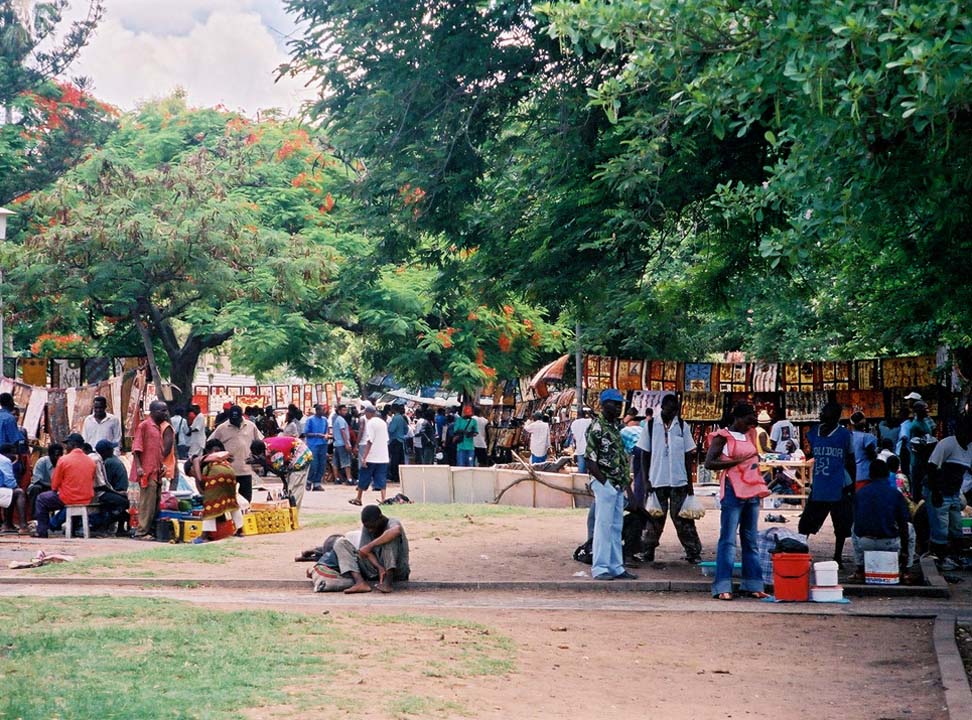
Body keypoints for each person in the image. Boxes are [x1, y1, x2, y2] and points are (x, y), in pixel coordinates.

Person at [704, 403, 769, 600]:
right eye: (749, 418)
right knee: (728, 539)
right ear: (738, 418)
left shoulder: (750, 434)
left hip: (751, 490)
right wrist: (735, 463)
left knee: (750, 539)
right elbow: (709, 463)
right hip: (732, 490)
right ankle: (723, 586)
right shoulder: (722, 436)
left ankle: (754, 584)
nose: (752, 423)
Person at [638, 393, 702, 564]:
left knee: (683, 520)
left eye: (675, 410)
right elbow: (644, 454)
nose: (673, 413)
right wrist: (646, 481)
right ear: (663, 407)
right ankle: (647, 551)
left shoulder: (682, 426)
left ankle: (693, 552)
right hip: (657, 480)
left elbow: (688, 455)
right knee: (654, 519)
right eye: (670, 409)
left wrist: (690, 483)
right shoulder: (651, 426)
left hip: (678, 481)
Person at [586, 388, 637, 581]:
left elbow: (621, 459)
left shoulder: (615, 427)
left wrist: (624, 485)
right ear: (603, 404)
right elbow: (590, 459)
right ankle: (600, 568)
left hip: (617, 483)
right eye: (614, 404)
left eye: (620, 404)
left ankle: (616, 566)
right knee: (603, 526)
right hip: (604, 482)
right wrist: (605, 483)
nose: (618, 407)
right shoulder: (597, 427)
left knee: (616, 526)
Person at [800, 402, 856, 565]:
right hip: (820, 484)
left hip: (839, 484)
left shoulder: (845, 435)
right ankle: (801, 553)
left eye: (825, 412)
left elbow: (851, 460)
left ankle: (837, 556)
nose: (821, 414)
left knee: (841, 525)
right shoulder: (814, 431)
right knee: (806, 524)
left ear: (835, 416)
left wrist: (853, 484)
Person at [851, 459, 915, 582]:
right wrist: (904, 552)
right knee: (910, 528)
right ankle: (907, 570)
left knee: (853, 528)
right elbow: (903, 524)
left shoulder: (860, 493)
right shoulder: (895, 494)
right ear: (887, 474)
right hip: (889, 542)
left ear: (870, 475)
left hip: (866, 543)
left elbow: (857, 521)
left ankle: (859, 569)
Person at [925, 416, 972, 568]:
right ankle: (939, 558)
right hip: (940, 492)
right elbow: (932, 468)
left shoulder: (970, 448)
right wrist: (936, 492)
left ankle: (956, 556)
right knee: (941, 530)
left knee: (957, 527)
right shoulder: (946, 444)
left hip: (954, 494)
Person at [331, 505, 410, 594]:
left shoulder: (392, 522)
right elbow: (366, 552)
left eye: (372, 527)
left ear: (380, 517)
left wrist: (370, 545)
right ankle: (360, 582)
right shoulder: (367, 528)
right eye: (368, 528)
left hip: (397, 571)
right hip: (375, 571)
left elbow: (396, 531)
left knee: (388, 538)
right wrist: (379, 567)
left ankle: (388, 582)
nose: (370, 530)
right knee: (340, 543)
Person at [34, 433, 95, 538]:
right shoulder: (91, 461)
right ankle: (70, 529)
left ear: (73, 444)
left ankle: (42, 531)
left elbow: (54, 484)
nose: (66, 447)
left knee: (41, 499)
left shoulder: (64, 460)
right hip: (86, 497)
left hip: (68, 497)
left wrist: (57, 489)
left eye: (67, 444)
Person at [130, 401, 174, 540]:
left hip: (156, 471)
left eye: (166, 410)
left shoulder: (159, 428)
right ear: (153, 412)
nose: (165, 413)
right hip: (146, 471)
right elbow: (136, 449)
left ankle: (150, 529)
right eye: (162, 411)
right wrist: (139, 467)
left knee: (155, 502)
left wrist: (161, 465)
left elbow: (160, 451)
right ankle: (141, 531)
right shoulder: (144, 426)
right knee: (147, 503)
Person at [209, 404, 263, 502]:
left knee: (246, 501)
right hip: (227, 470)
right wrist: (220, 455)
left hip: (245, 470)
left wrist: (257, 459)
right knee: (228, 501)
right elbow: (210, 445)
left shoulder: (251, 426)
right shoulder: (222, 428)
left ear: (241, 416)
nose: (235, 422)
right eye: (232, 420)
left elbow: (261, 444)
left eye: (237, 419)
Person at [192, 438, 244, 538]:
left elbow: (199, 478)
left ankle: (205, 534)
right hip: (230, 473)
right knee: (232, 503)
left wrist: (199, 481)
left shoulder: (197, 459)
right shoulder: (223, 458)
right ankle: (240, 530)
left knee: (210, 504)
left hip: (216, 476)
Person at [248, 436, 309, 509]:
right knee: (288, 489)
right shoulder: (264, 444)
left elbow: (280, 471)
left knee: (293, 489)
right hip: (291, 457)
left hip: (301, 457)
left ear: (262, 452)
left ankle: (293, 513)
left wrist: (263, 463)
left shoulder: (275, 452)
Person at [353, 403, 389, 506]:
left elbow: (369, 441)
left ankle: (358, 498)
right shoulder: (383, 423)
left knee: (364, 476)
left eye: (366, 413)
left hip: (372, 456)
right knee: (381, 478)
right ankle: (383, 499)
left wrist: (364, 457)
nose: (365, 415)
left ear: (370, 413)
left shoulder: (370, 423)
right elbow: (386, 439)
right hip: (383, 456)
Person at [94, 439, 130, 536]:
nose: (113, 451)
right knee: (121, 503)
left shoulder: (109, 462)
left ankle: (105, 526)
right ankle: (116, 527)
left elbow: (106, 483)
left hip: (115, 489)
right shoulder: (109, 461)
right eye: (110, 449)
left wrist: (117, 493)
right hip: (115, 490)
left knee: (120, 503)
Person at [907, 400, 936, 501]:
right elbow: (915, 445)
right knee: (917, 486)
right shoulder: (915, 426)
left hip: (925, 459)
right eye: (925, 408)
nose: (927, 410)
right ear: (919, 411)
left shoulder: (925, 421)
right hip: (918, 461)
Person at [27, 443, 63, 519]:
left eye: (60, 455)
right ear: (50, 455)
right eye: (56, 455)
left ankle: (57, 521)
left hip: (57, 488)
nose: (58, 457)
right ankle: (35, 518)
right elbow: (37, 480)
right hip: (43, 486)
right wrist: (54, 487)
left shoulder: (63, 462)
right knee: (36, 488)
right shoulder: (42, 461)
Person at [0, 444, 29, 535]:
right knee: (18, 492)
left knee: (10, 493)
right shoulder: (4, 460)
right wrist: (16, 487)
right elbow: (10, 482)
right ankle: (23, 526)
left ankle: (7, 524)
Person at [303, 404, 329, 492]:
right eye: (322, 410)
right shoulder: (310, 420)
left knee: (322, 464)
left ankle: (317, 483)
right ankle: (309, 481)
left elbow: (326, 431)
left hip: (323, 444)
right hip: (313, 444)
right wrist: (317, 435)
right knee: (314, 464)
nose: (324, 411)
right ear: (317, 411)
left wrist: (326, 436)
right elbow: (306, 433)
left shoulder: (325, 420)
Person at [850, 411, 878, 491]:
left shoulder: (848, 437)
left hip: (852, 476)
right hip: (865, 474)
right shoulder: (868, 438)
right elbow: (872, 455)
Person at [330, 404, 354, 484]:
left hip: (337, 443)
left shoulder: (337, 419)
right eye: (343, 410)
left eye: (346, 410)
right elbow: (343, 431)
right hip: (342, 443)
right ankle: (349, 479)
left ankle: (337, 478)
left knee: (336, 462)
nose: (345, 412)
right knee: (346, 461)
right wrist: (347, 443)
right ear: (339, 411)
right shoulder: (340, 420)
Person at [387, 403, 409, 481]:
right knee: (400, 459)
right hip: (401, 440)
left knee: (394, 459)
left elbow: (391, 429)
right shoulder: (402, 418)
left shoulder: (395, 418)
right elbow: (406, 429)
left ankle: (395, 476)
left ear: (393, 409)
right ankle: (400, 476)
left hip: (395, 440)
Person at [569, 408, 593, 473]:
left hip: (579, 448)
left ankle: (581, 482)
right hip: (589, 448)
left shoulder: (573, 423)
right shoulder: (589, 421)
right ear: (585, 415)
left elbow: (574, 437)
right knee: (591, 468)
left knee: (581, 469)